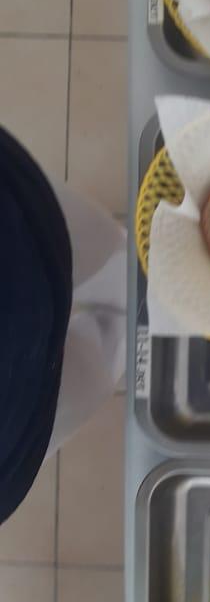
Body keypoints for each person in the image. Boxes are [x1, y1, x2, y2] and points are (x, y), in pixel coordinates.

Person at [0, 126, 126, 524]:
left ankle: (124, 282)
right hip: (17, 417)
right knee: (95, 376)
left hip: (20, 222)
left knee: (110, 254)